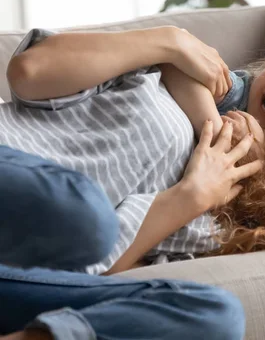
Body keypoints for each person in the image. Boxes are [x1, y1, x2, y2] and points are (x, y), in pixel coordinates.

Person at [1, 23, 265, 274]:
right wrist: (171, 40)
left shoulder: (235, 214)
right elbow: (28, 70)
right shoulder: (213, 83)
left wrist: (191, 198)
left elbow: (98, 259)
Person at [0, 123, 252, 339]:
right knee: (89, 221)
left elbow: (97, 269)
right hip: (21, 198)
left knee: (217, 316)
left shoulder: (229, 219)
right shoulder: (203, 90)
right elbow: (27, 74)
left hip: (22, 267)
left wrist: (189, 198)